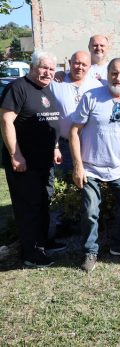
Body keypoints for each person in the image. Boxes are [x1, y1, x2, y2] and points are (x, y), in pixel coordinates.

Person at [70, 57, 120, 272]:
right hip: (90, 167)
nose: (119, 78)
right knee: (90, 210)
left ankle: (119, 245)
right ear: (107, 74)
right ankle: (90, 251)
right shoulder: (91, 97)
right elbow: (74, 132)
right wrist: (78, 166)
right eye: (114, 73)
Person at [0, 51, 62, 267]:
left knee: (44, 202)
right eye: (44, 67)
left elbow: (50, 121)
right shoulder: (17, 88)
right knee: (29, 207)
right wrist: (15, 154)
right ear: (32, 67)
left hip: (45, 161)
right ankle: (31, 253)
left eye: (52, 69)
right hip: (24, 162)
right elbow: (6, 121)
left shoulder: (47, 89)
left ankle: (43, 242)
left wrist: (55, 146)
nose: (48, 72)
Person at [49, 50, 102, 172]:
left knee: (86, 180)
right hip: (63, 145)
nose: (80, 67)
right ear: (70, 63)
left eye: (84, 64)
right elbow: (49, 116)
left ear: (90, 66)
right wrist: (55, 146)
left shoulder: (96, 86)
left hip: (89, 146)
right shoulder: (56, 83)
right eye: (76, 63)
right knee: (63, 180)